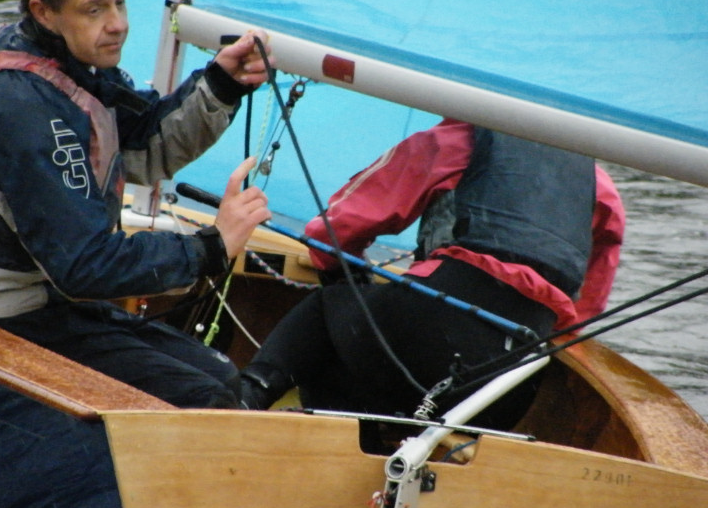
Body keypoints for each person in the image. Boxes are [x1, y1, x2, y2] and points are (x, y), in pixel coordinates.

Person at [0, 0, 273, 409]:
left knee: (223, 376)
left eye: (121, 3)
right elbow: (83, 266)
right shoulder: (18, 106)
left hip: (43, 296)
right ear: (44, 12)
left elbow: (145, 146)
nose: (118, 24)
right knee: (206, 401)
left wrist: (220, 84)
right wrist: (212, 246)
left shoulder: (69, 64)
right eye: (94, 9)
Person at [240, 119, 625, 430]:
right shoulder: (600, 188)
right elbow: (585, 308)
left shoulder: (457, 140)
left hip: (424, 326)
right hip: (510, 379)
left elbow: (329, 233)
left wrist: (344, 283)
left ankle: (247, 395)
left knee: (329, 310)